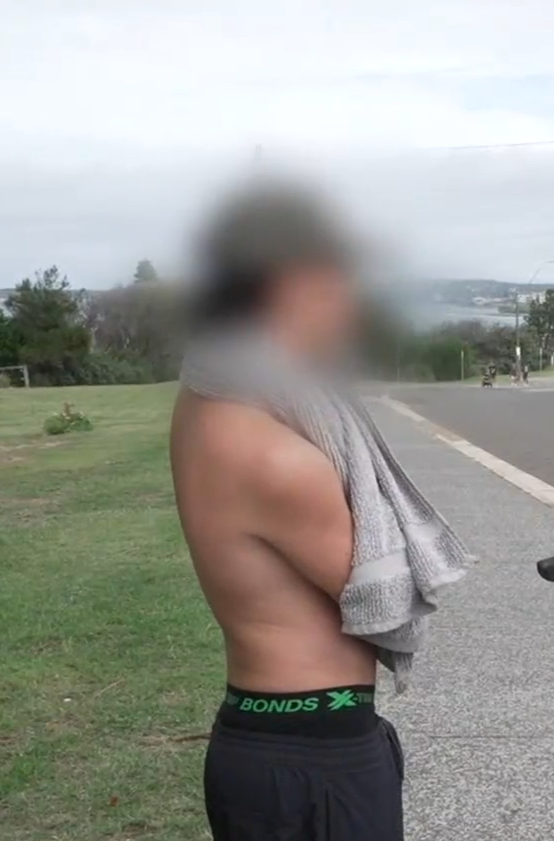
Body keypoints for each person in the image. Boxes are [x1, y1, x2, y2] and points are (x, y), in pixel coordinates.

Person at [169, 179, 471, 840]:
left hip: (276, 737)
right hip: (311, 756)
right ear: (287, 283)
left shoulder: (209, 400)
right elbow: (384, 600)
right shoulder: (274, 455)